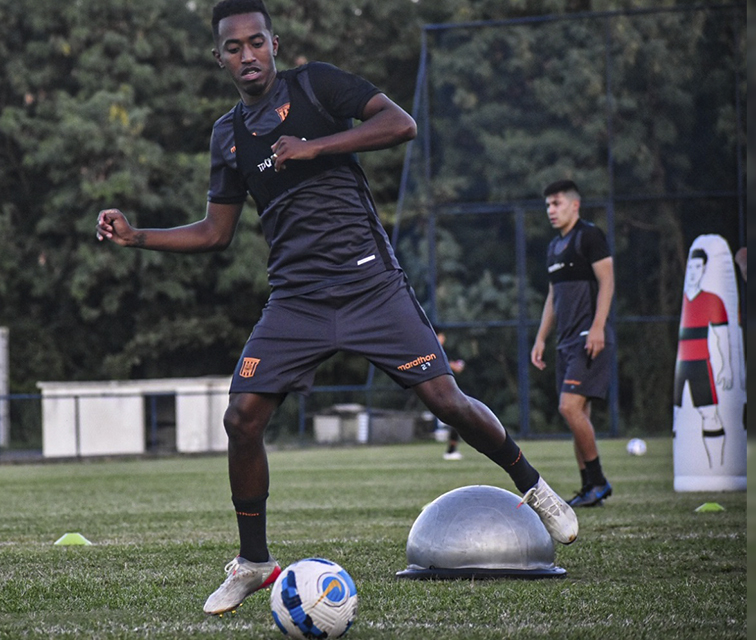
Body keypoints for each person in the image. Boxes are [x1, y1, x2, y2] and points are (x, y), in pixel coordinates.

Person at [96, 0, 578, 615]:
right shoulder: (228, 135)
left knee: (445, 401)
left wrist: (317, 146)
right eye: (233, 47)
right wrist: (139, 237)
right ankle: (253, 563)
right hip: (295, 299)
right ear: (218, 57)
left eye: (256, 42)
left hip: (369, 286)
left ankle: (534, 488)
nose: (247, 55)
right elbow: (217, 232)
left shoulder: (317, 86)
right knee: (241, 417)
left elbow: (399, 124)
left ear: (274, 43)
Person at [531, 180, 615, 507]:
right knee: (577, 413)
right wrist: (540, 338)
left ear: (574, 205)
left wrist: (597, 327)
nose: (551, 210)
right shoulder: (554, 247)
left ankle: (599, 480)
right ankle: (588, 489)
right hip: (565, 342)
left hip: (588, 338)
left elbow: (607, 282)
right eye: (548, 205)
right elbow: (553, 297)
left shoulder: (589, 236)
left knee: (568, 407)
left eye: (556, 203)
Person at [675, 249, 735, 467]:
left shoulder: (713, 300)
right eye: (690, 267)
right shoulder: (679, 301)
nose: (693, 272)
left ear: (705, 269)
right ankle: (688, 468)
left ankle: (716, 468)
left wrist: (727, 366)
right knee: (678, 418)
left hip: (701, 364)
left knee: (710, 414)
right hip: (681, 367)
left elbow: (722, 336)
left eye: (698, 267)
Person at [433, 331, 467, 460]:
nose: (443, 338)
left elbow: (459, 366)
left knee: (457, 419)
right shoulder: (432, 352)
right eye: (440, 336)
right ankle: (451, 451)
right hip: (439, 392)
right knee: (456, 418)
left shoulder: (445, 351)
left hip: (447, 392)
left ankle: (451, 450)